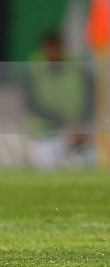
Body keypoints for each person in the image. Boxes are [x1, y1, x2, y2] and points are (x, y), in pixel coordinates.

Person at [22, 31, 94, 169]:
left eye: (57, 48)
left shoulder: (77, 68)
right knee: (46, 172)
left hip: (77, 132)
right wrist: (65, 122)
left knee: (89, 164)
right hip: (45, 133)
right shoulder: (33, 69)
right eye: (50, 48)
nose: (54, 52)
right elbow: (32, 104)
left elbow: (91, 97)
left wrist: (82, 122)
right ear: (43, 49)